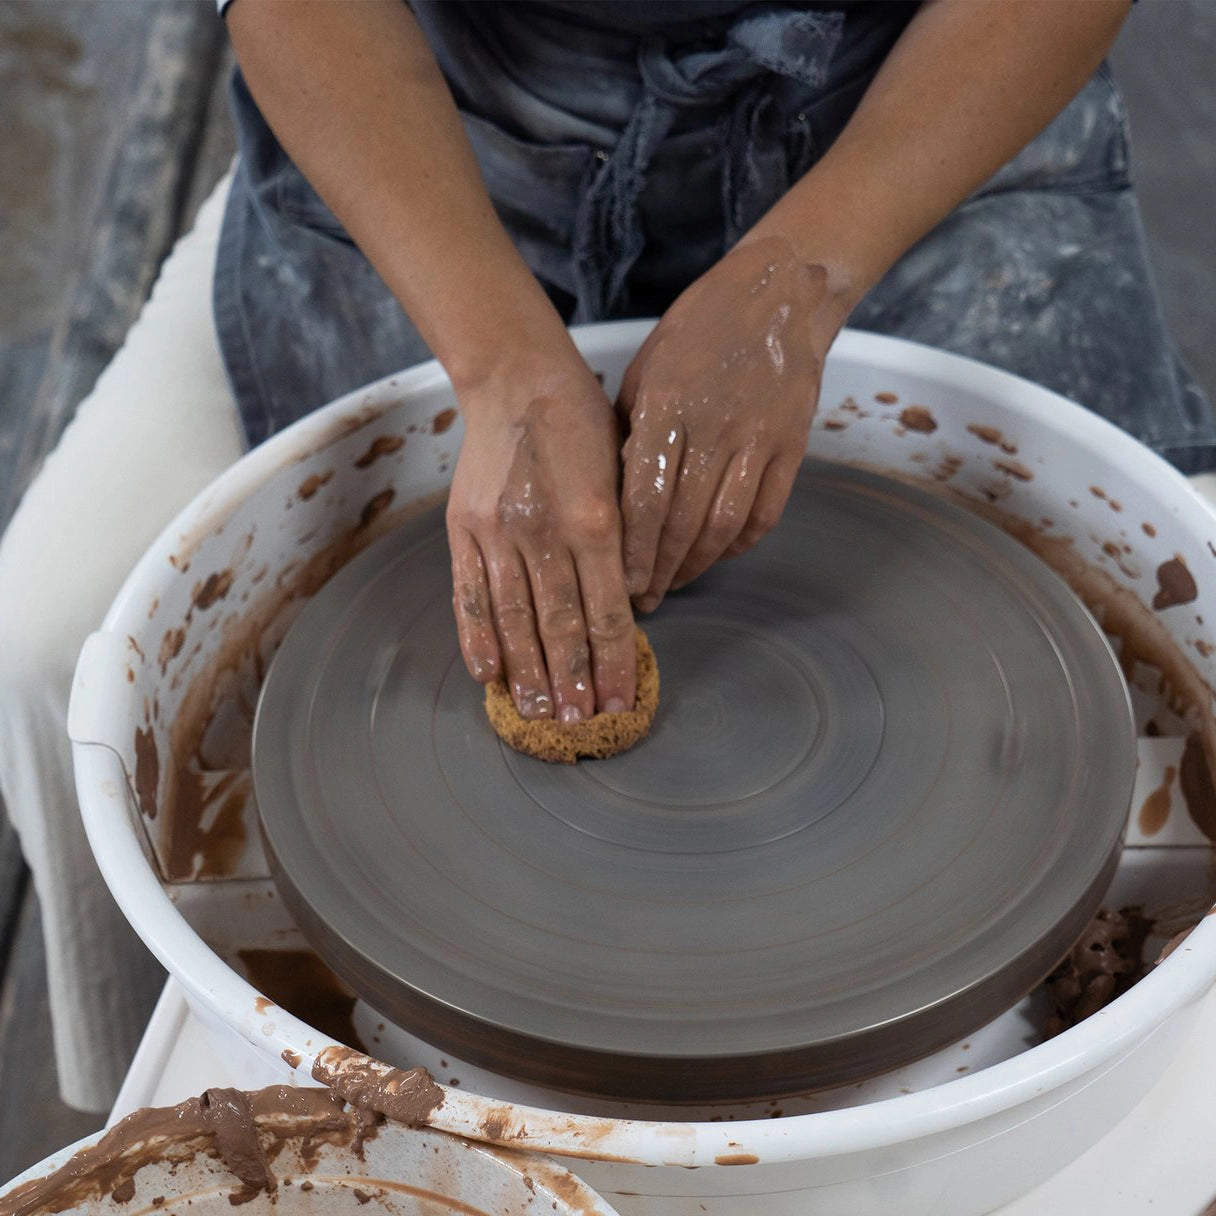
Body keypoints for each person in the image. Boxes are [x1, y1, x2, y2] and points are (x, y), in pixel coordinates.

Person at [1, 0, 1212, 1110]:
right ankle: (155, 1108)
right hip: (448, 136)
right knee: (48, 640)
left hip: (908, 116)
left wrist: (803, 275)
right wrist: (501, 368)